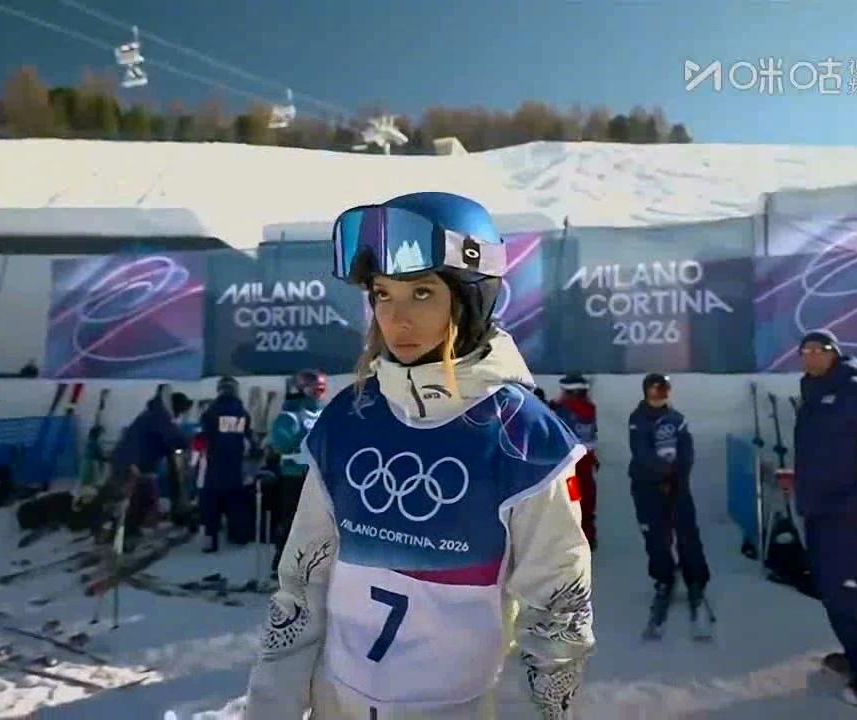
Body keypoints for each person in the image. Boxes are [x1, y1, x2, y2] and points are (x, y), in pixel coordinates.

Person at [244, 192, 594, 720]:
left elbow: (559, 619)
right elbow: (300, 590)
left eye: (423, 292)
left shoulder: (523, 438)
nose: (396, 318)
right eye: (382, 294)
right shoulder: (348, 418)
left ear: (471, 296)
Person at [791, 330, 857, 704]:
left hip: (848, 516)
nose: (810, 356)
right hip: (818, 511)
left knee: (853, 591)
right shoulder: (812, 394)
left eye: (818, 350)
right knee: (832, 590)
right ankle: (856, 655)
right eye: (805, 351)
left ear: (834, 353)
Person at [629, 372, 712, 639]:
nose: (658, 397)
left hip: (677, 484)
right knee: (655, 534)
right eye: (654, 392)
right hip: (647, 486)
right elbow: (641, 453)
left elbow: (687, 451)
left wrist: (677, 475)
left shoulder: (677, 419)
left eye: (663, 391)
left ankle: (695, 577)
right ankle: (663, 576)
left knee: (687, 531)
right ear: (646, 393)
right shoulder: (638, 419)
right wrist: (662, 474)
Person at [105, 384, 189, 541]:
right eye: (181, 411)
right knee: (133, 498)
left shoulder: (154, 414)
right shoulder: (159, 417)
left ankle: (126, 530)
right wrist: (186, 443)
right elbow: (174, 437)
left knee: (140, 498)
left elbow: (161, 440)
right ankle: (121, 534)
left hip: (133, 463)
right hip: (131, 464)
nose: (179, 416)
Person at [263, 368, 326, 570]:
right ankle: (283, 561)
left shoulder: (324, 413)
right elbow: (282, 442)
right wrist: (307, 443)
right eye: (315, 390)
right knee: (293, 520)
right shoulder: (290, 415)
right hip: (295, 476)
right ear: (301, 389)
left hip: (320, 477)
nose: (319, 394)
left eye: (322, 390)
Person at [198, 376, 255, 553]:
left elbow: (203, 437)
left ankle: (210, 540)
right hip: (235, 466)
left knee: (211, 505)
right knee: (236, 502)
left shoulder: (211, 411)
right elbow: (249, 439)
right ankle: (239, 536)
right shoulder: (242, 412)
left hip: (214, 465)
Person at [552, 372, 599, 551]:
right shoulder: (589, 409)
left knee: (572, 501)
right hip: (586, 465)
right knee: (586, 501)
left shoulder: (562, 411)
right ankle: (588, 537)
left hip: (570, 469)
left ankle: (573, 541)